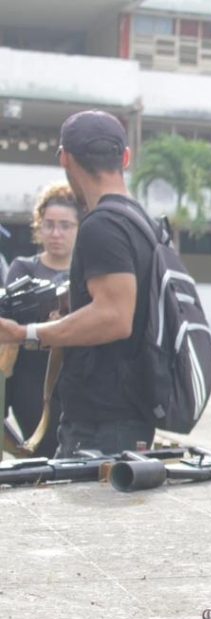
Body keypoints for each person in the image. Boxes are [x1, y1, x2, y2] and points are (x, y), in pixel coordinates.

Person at [0, 110, 158, 455]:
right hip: (128, 413)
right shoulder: (142, 221)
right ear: (126, 158)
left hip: (101, 423)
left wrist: (25, 333)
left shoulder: (102, 225)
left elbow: (114, 317)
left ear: (65, 158)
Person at [4, 184, 80, 456]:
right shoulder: (24, 268)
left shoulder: (87, 274)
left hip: (74, 380)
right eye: (48, 225)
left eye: (65, 225)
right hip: (31, 380)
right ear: (39, 226)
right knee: (41, 452)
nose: (56, 233)